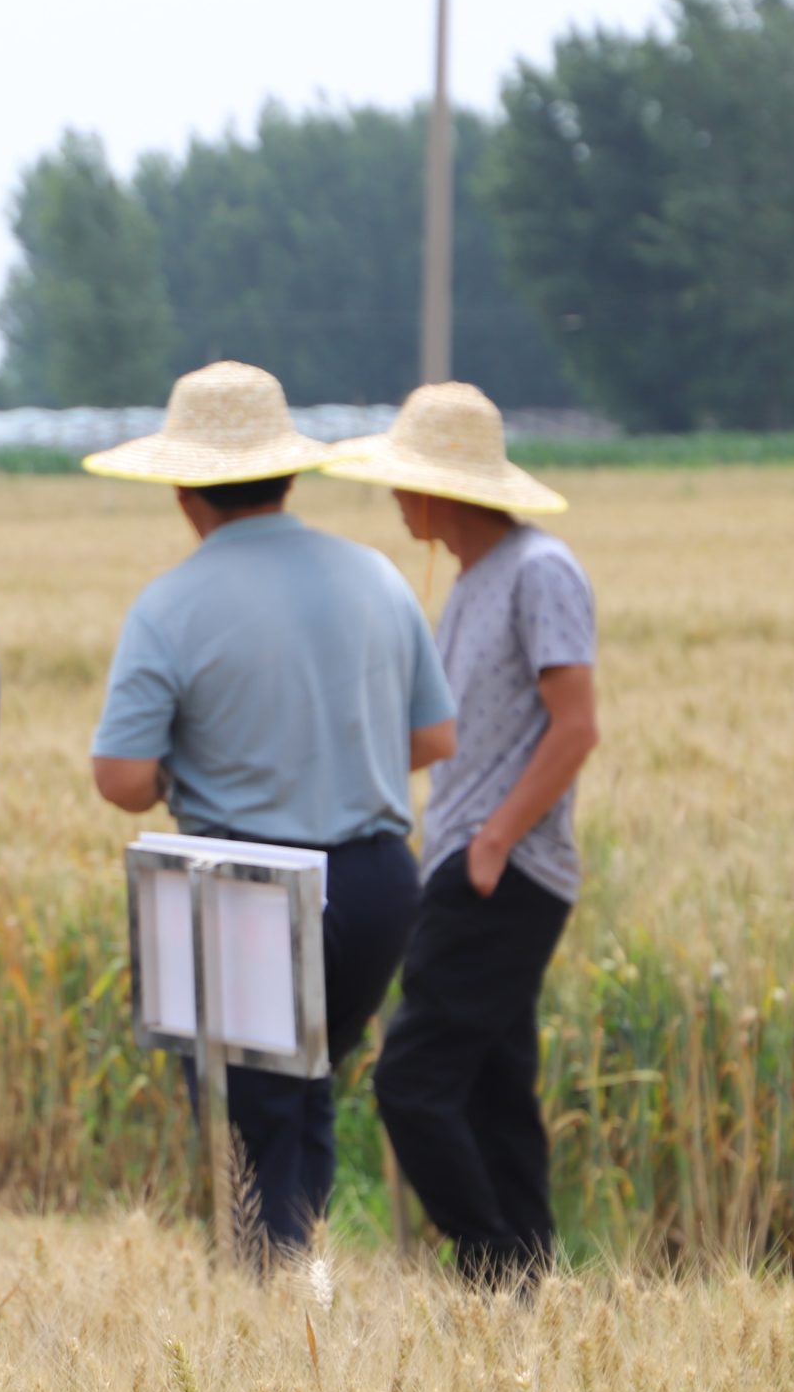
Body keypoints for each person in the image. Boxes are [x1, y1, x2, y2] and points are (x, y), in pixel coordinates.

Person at [86, 360, 455, 1262]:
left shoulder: (170, 603)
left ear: (183, 488)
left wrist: (202, 766)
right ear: (290, 474)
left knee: (246, 1128)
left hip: (245, 886)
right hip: (376, 885)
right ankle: (308, 1293)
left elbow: (121, 777)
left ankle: (271, 1313)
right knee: (307, 1084)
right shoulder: (376, 575)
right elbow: (434, 737)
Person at [325, 382, 598, 1287]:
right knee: (491, 1086)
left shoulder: (538, 570)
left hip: (501, 870)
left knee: (411, 1079)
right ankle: (529, 1282)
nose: (396, 498)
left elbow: (576, 725)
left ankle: (490, 1268)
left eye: (407, 480)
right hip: (474, 861)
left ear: (445, 489)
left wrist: (491, 843)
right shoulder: (482, 578)